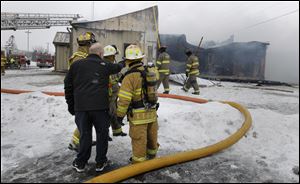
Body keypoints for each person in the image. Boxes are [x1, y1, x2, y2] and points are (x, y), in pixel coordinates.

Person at [64, 42, 124, 172]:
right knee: (102, 135)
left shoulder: (75, 65)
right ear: (101, 54)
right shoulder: (104, 65)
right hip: (100, 109)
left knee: (85, 135)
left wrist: (71, 105)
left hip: (81, 108)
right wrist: (124, 63)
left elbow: (67, 86)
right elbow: (117, 67)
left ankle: (81, 163)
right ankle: (100, 163)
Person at [117, 44, 159, 164]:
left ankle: (139, 166)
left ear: (128, 60)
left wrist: (119, 116)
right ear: (141, 59)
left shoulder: (129, 77)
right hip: (152, 114)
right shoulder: (149, 72)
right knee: (152, 138)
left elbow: (124, 100)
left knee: (139, 141)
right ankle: (152, 160)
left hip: (138, 118)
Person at [67, 32, 97, 152]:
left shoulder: (83, 56)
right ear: (87, 44)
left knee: (87, 120)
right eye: (91, 44)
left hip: (85, 93)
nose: (92, 47)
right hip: (82, 95)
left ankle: (78, 141)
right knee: (85, 121)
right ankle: (75, 142)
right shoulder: (79, 58)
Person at [103, 45, 127, 137]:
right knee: (107, 115)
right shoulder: (105, 66)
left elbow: (117, 76)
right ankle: (105, 135)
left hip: (113, 95)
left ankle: (117, 131)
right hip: (107, 96)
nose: (114, 57)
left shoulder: (111, 64)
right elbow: (112, 79)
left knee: (113, 113)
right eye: (114, 55)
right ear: (110, 56)